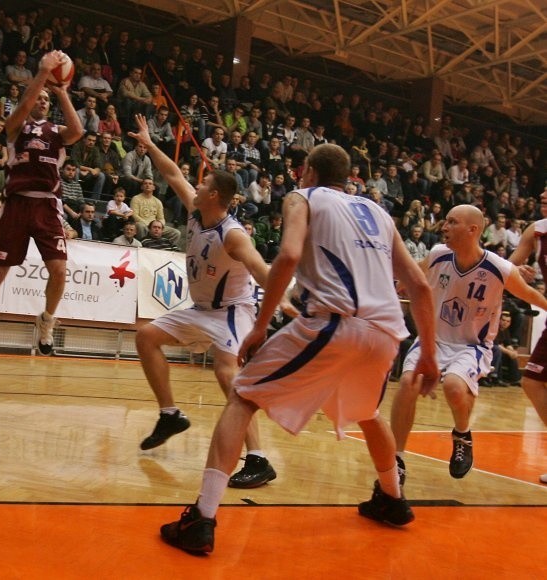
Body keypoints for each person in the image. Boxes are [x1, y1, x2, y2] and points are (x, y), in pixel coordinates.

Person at [159, 143, 439, 553]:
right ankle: (393, 500)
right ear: (349, 177)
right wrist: (429, 353)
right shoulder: (379, 212)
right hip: (384, 334)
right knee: (368, 413)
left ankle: (201, 518)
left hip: (333, 323)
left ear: (307, 170)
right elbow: (419, 285)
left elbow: (288, 256)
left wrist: (258, 326)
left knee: (241, 396)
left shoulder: (301, 197)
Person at [128, 114, 277, 489]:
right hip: (202, 310)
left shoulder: (233, 235)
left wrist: (283, 302)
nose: (197, 184)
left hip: (233, 311)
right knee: (146, 337)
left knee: (226, 372)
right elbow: (173, 175)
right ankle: (170, 414)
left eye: (204, 182)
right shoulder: (198, 216)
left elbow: (261, 271)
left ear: (215, 195)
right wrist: (149, 143)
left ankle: (258, 459)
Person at [390, 205, 547, 486]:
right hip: (433, 340)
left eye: (452, 222)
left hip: (471, 345)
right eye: (446, 221)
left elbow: (528, 293)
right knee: (406, 384)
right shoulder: (439, 255)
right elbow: (409, 278)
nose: (444, 227)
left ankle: (462, 435)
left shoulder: (498, 268)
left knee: (453, 385)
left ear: (472, 230)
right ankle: (397, 460)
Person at [0, 50, 83, 371]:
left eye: (47, 99)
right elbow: (19, 110)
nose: (43, 101)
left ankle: (46, 320)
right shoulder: (16, 127)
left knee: (60, 271)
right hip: (18, 204)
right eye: (40, 97)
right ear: (31, 98)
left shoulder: (56, 133)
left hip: (47, 206)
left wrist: (61, 91)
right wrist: (42, 74)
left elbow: (77, 131)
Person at [508, 193, 547, 484]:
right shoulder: (535, 230)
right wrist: (518, 271)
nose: (542, 195)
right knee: (532, 381)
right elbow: (508, 270)